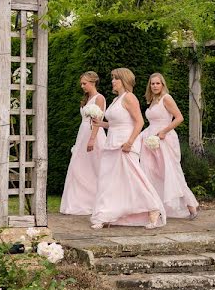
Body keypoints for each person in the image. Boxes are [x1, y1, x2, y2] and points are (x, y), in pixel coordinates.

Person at [90, 68, 165, 229]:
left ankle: (153, 209)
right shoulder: (116, 99)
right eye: (112, 78)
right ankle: (106, 214)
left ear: (123, 80)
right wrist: (100, 124)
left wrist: (130, 142)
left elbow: (139, 122)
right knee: (109, 180)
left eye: (115, 78)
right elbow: (115, 123)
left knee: (134, 178)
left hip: (125, 144)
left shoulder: (129, 98)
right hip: (111, 143)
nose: (112, 81)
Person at [139, 73, 199, 219]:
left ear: (162, 84)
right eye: (152, 84)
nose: (154, 86)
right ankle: (156, 207)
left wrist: (164, 131)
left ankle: (191, 205)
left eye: (157, 83)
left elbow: (179, 118)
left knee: (171, 172)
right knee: (152, 172)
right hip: (151, 140)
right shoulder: (152, 100)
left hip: (165, 139)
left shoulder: (166, 98)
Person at [60, 71, 107, 215]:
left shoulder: (99, 98)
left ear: (93, 83)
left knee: (95, 167)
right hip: (83, 133)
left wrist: (92, 139)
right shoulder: (87, 98)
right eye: (81, 83)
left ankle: (95, 201)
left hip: (94, 134)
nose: (82, 86)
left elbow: (98, 121)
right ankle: (78, 202)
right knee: (78, 167)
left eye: (84, 83)